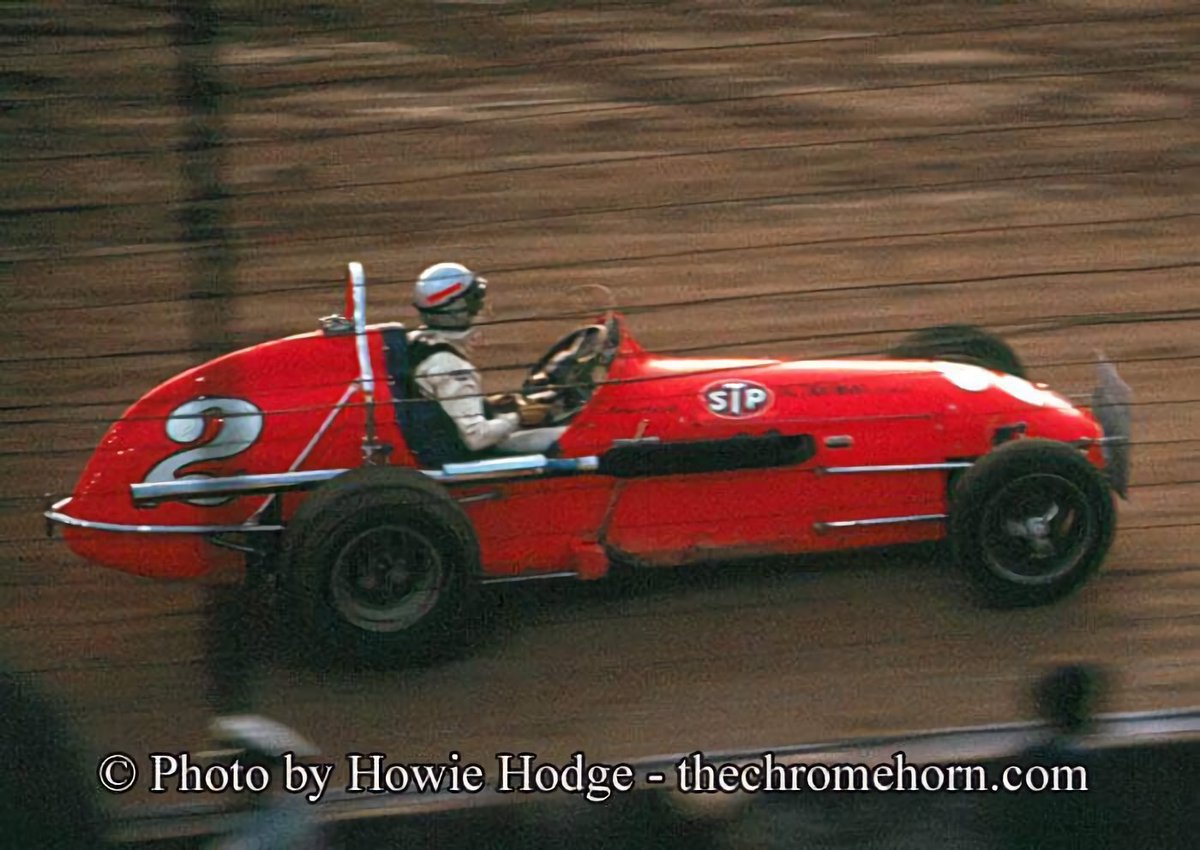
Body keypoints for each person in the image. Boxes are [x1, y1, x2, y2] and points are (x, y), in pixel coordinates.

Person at [406, 262, 565, 459]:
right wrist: (519, 417)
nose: (481, 307)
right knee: (572, 435)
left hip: (437, 438)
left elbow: (447, 405)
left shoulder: (418, 341)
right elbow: (475, 438)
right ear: (457, 310)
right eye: (475, 301)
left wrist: (489, 404)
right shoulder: (451, 367)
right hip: (468, 453)